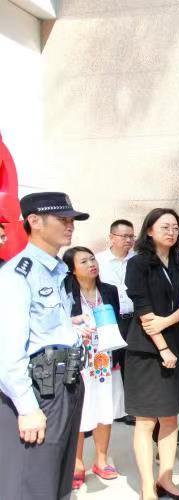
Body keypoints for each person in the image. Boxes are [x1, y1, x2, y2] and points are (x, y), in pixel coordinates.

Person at [0, 192, 90, 500]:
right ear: (35, 221)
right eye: (62, 219)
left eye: (72, 220)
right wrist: (27, 407)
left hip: (66, 382)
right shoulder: (17, 274)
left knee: (57, 481)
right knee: (33, 482)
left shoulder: (56, 269)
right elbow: (7, 351)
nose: (70, 225)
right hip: (40, 390)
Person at [124, 208, 179, 500]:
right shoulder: (138, 263)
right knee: (145, 420)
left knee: (170, 418)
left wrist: (166, 324)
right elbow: (143, 310)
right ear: (149, 230)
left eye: (175, 227)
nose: (171, 232)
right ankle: (146, 485)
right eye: (165, 226)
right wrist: (162, 346)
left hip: (176, 345)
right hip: (146, 349)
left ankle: (166, 478)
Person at [64, 246, 125, 488]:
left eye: (92, 259)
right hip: (80, 362)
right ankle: (76, 463)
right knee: (80, 410)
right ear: (72, 269)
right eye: (84, 261)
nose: (92, 264)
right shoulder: (66, 293)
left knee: (105, 408)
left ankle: (101, 459)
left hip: (106, 360)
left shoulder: (109, 290)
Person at [95, 219, 136, 413]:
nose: (128, 240)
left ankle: (131, 409)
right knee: (109, 363)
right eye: (124, 236)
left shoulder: (137, 260)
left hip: (133, 319)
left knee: (131, 365)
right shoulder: (98, 261)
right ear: (111, 237)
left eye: (131, 236)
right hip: (109, 321)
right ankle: (109, 409)